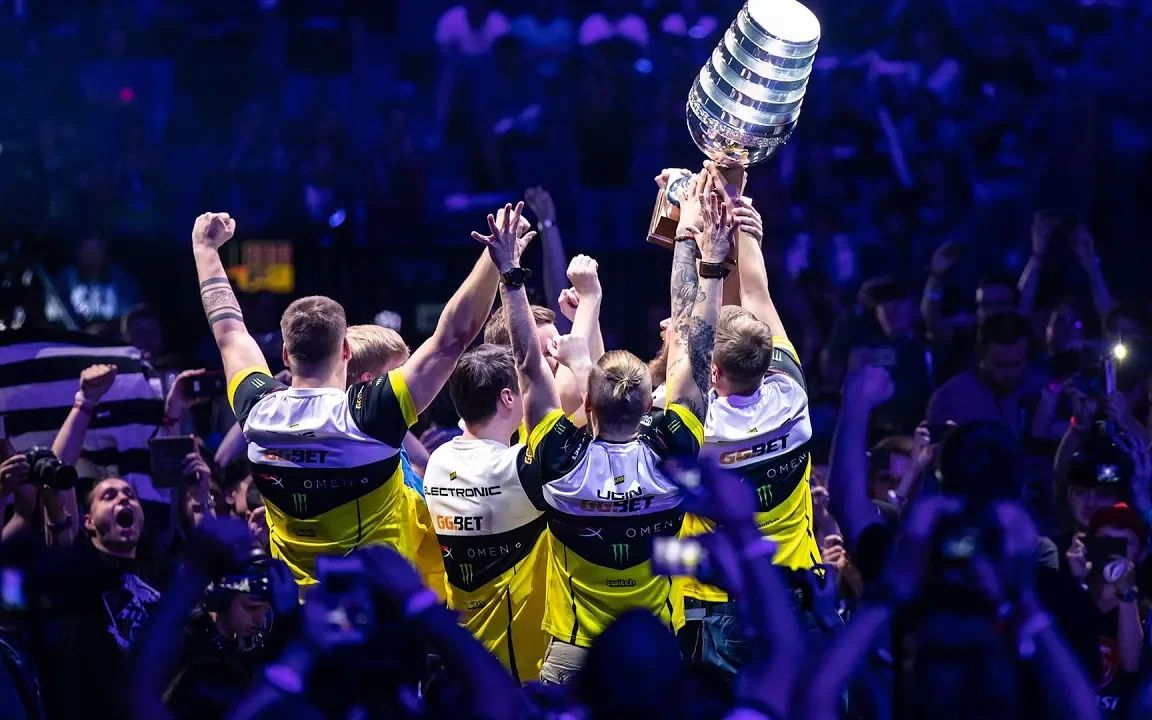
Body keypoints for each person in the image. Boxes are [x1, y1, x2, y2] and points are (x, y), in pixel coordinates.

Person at [189, 208, 529, 587]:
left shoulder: (257, 411)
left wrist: (205, 249)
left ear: (285, 355)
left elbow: (230, 333)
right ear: (347, 351)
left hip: (300, 614)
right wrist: (495, 256)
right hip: (381, 610)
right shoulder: (368, 415)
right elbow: (453, 338)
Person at [479, 174, 727, 683]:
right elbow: (693, 349)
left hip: (575, 657)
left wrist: (510, 274)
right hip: (655, 651)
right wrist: (704, 253)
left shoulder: (558, 459)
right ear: (649, 405)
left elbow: (528, 365)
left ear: (588, 403)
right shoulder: (673, 450)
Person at [422, 343, 549, 682]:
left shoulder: (438, 461)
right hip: (518, 664)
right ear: (508, 398)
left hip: (461, 656)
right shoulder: (515, 469)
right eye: (522, 388)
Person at [33, 477, 161, 719]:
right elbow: (61, 534)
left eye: (130, 495)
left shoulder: (160, 574)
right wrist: (54, 495)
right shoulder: (80, 566)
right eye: (109, 496)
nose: (123, 499)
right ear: (88, 522)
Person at [926, 310, 1039, 435]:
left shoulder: (1039, 387)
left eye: (1017, 363)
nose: (1011, 374)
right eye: (1001, 365)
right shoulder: (949, 400)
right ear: (980, 354)